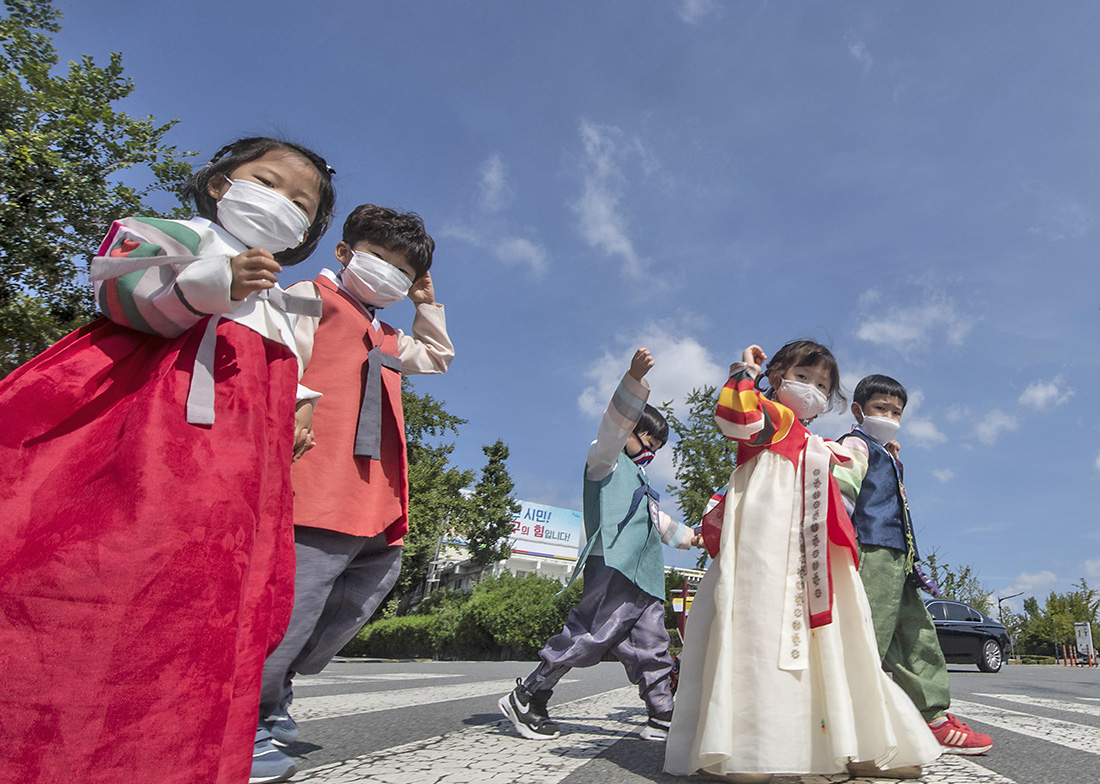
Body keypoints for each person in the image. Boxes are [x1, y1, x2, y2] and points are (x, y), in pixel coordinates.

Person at [0, 137, 336, 784]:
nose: (282, 204)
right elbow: (121, 288)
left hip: (236, 466)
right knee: (104, 568)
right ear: (220, 184)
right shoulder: (177, 233)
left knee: (208, 598)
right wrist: (213, 283)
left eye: (300, 202)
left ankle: (179, 745)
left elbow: (283, 369)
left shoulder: (284, 298)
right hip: (144, 425)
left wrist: (299, 407)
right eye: (267, 181)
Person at [665, 341, 941, 783]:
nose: (812, 389)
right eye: (803, 377)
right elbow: (735, 419)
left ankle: (855, 743)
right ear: (776, 377)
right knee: (762, 626)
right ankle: (755, 748)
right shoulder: (772, 418)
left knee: (836, 635)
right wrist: (744, 373)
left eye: (822, 384)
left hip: (812, 544)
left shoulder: (815, 439)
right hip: (767, 532)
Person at [252, 205, 454, 782]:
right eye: (380, 259)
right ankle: (246, 719)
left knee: (364, 590)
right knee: (292, 602)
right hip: (315, 475)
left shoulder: (386, 332)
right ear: (344, 253)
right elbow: (279, 352)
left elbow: (437, 359)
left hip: (374, 488)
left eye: (403, 269)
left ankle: (279, 683)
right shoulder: (308, 295)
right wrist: (297, 404)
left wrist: (424, 305)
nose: (390, 273)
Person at [499, 348, 703, 743]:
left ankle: (663, 715)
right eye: (648, 439)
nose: (652, 450)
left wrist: (699, 536)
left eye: (658, 445)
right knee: (591, 633)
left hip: (644, 577)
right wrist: (632, 381)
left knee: (652, 646)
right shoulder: (604, 461)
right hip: (611, 565)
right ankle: (529, 694)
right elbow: (613, 426)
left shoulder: (644, 486)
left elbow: (664, 527)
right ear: (629, 431)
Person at [837, 374, 993, 756]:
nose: (889, 415)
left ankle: (933, 718)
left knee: (916, 636)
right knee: (865, 636)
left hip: (899, 558)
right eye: (880, 408)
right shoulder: (855, 443)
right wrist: (838, 545)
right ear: (858, 410)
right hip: (870, 550)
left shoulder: (885, 451)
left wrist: (892, 458)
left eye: (896, 411)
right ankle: (845, 722)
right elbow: (842, 494)